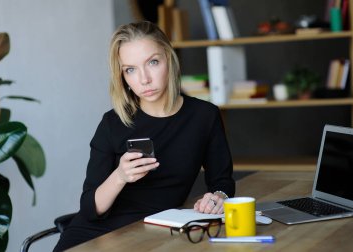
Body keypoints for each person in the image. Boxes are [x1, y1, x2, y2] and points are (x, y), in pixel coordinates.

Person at [54, 21, 235, 251]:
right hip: (96, 236)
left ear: (169, 59)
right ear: (123, 76)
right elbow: (90, 209)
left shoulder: (204, 116)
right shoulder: (112, 123)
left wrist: (218, 197)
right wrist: (120, 176)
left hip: (153, 233)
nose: (144, 79)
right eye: (130, 69)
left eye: (153, 62)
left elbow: (222, 181)